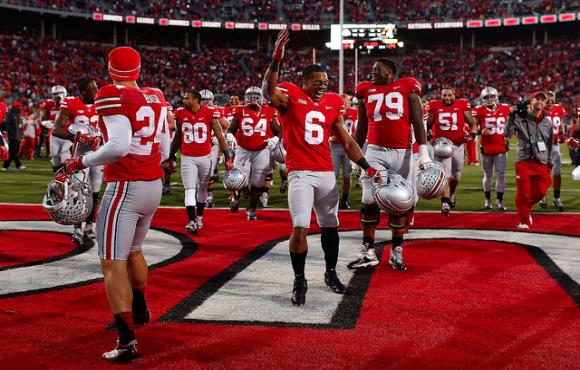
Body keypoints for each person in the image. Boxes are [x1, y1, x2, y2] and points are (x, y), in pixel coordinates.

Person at [63, 46, 170, 362]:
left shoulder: (111, 93)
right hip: (153, 183)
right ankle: (139, 307)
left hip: (126, 186)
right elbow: (161, 146)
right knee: (134, 251)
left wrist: (80, 161)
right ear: (138, 69)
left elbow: (120, 146)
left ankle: (127, 342)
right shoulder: (155, 95)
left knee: (112, 261)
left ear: (110, 70)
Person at [263, 29, 377, 306]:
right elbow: (268, 91)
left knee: (331, 227)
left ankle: (330, 273)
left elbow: (347, 141)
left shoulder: (333, 103)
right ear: (304, 83)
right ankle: (299, 280)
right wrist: (276, 59)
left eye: (325, 81)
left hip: (326, 173)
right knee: (300, 227)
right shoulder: (290, 96)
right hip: (300, 172)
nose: (322, 86)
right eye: (316, 81)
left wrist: (366, 165)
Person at [347, 58, 431, 271]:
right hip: (374, 151)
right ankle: (368, 250)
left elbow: (418, 121)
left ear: (391, 73)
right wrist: (356, 155)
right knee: (368, 200)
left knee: (399, 201)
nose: (372, 72)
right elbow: (362, 125)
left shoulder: (407, 87)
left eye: (378, 69)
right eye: (372, 68)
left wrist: (423, 152)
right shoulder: (365, 91)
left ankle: (397, 250)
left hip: (402, 152)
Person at [169, 90, 230, 234]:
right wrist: (171, 155)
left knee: (202, 189)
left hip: (205, 157)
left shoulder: (209, 113)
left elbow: (220, 135)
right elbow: (178, 136)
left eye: (187, 98)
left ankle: (199, 217)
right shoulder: (180, 113)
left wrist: (227, 155)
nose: (184, 101)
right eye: (184, 98)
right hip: (187, 158)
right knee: (189, 190)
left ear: (196, 100)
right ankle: (191, 221)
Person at [53, 79, 102, 247]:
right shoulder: (71, 103)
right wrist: (73, 137)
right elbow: (56, 129)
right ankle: (77, 228)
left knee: (95, 191)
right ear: (82, 92)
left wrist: (101, 138)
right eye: (92, 90)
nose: (96, 92)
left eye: (96, 89)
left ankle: (90, 226)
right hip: (80, 152)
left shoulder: (102, 104)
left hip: (98, 152)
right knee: (78, 190)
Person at [229, 86, 282, 220]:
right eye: (250, 96)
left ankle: (251, 209)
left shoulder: (269, 111)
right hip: (243, 149)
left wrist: (276, 138)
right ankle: (236, 196)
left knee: (258, 182)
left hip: (262, 150)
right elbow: (231, 129)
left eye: (255, 96)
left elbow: (279, 131)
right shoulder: (240, 110)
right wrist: (229, 136)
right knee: (238, 179)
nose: (252, 99)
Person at [504, 92, 553, 230]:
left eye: (543, 100)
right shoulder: (520, 116)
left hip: (541, 160)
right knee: (523, 193)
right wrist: (511, 116)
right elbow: (507, 134)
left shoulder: (547, 122)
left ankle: (526, 208)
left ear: (545, 104)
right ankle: (524, 221)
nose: (540, 101)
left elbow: (548, 143)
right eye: (538, 98)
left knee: (541, 191)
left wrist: (549, 161)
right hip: (524, 160)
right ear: (531, 101)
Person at [427, 86, 476, 216]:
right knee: (444, 174)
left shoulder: (462, 104)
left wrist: (473, 133)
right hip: (442, 145)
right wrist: (428, 135)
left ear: (454, 95)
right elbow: (427, 124)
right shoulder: (434, 105)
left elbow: (472, 123)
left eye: (449, 95)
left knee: (456, 175)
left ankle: (452, 193)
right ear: (440, 96)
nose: (446, 98)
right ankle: (445, 202)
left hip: (458, 145)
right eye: (444, 95)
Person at [472, 87, 510, 210]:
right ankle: (487, 200)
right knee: (487, 175)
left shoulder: (505, 108)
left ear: (496, 97)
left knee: (501, 174)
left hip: (500, 146)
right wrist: (480, 130)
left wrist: (509, 132)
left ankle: (500, 200)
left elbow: (511, 122)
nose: (489, 99)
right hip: (486, 147)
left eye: (491, 97)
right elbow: (472, 127)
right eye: (486, 97)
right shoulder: (478, 110)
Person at [540, 91, 566, 211]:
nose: (550, 103)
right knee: (543, 172)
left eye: (552, 100)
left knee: (557, 172)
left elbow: (560, 124)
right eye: (548, 100)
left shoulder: (559, 109)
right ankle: (542, 195)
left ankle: (557, 198)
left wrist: (562, 133)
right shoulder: (538, 110)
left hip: (554, 144)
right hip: (542, 144)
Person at [330, 94, 357, 210]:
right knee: (332, 175)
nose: (349, 102)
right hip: (335, 147)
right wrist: (331, 138)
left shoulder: (354, 112)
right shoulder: (333, 111)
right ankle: (331, 199)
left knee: (347, 175)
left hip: (348, 147)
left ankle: (344, 201)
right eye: (348, 100)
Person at [43, 85, 72, 173]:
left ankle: (67, 177)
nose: (56, 96)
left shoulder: (70, 103)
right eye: (54, 94)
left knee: (65, 156)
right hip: (54, 134)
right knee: (54, 156)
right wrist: (45, 123)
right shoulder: (49, 104)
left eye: (58, 94)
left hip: (66, 133)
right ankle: (57, 177)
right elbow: (43, 118)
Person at [2, 101, 26, 171]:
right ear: (15, 107)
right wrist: (12, 133)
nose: (20, 107)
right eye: (19, 106)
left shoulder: (17, 114)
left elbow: (19, 126)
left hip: (16, 136)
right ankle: (19, 165)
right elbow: (8, 124)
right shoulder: (10, 114)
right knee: (14, 151)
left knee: (13, 152)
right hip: (12, 136)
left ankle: (6, 166)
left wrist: (21, 133)